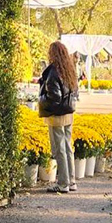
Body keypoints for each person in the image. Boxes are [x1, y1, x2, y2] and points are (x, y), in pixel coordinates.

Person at [38, 41, 79, 193]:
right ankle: (71, 181)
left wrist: (41, 100)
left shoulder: (53, 72)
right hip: (69, 112)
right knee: (68, 147)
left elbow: (54, 97)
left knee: (59, 148)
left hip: (56, 114)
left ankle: (63, 183)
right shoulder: (69, 69)